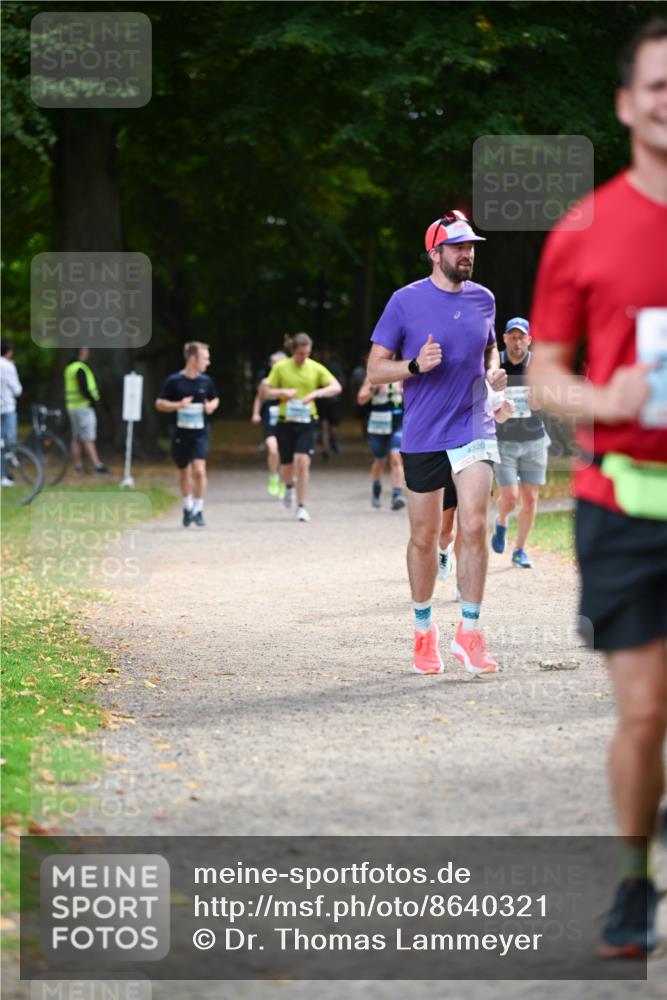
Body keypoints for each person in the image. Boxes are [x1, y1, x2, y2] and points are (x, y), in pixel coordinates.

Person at [527, 19, 667, 958]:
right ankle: (631, 880)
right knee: (646, 709)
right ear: (626, 103)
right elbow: (543, 375)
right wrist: (601, 396)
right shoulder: (583, 230)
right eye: (658, 85)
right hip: (626, 503)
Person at [367, 209, 507, 675]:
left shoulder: (484, 299)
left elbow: (488, 346)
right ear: (435, 252)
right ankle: (424, 631)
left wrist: (491, 371)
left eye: (471, 247)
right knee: (425, 537)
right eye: (459, 247)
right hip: (425, 432)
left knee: (472, 525)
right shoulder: (404, 302)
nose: (468, 254)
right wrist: (413, 366)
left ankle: (470, 633)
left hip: (472, 424)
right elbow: (374, 370)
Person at [490, 317, 550, 568]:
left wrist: (539, 402)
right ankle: (502, 521)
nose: (517, 342)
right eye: (512, 337)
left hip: (534, 439)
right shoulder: (495, 363)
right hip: (503, 441)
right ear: (504, 339)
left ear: (529, 339)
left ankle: (520, 550)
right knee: (511, 497)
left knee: (531, 498)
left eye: (521, 337)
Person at [264, 333, 342, 522]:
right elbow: (267, 391)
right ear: (293, 351)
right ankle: (289, 486)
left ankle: (301, 506)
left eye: (307, 353)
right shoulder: (281, 368)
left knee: (302, 461)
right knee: (287, 465)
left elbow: (336, 387)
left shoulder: (315, 368)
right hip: (285, 422)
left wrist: (316, 393)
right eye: (300, 354)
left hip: (307, 422)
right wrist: (283, 392)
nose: (303, 357)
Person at [156, 341, 220, 527]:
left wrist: (211, 406)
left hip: (201, 432)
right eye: (205, 358)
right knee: (184, 472)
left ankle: (199, 509)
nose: (208, 363)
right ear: (193, 359)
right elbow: (159, 404)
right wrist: (178, 405)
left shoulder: (206, 381)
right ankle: (187, 505)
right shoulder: (174, 381)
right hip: (181, 434)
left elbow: (215, 399)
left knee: (199, 470)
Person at [356, 377, 406, 510]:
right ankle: (376, 488)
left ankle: (397, 495)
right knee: (380, 459)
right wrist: (373, 389)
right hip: (378, 424)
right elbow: (361, 400)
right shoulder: (372, 377)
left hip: (397, 422)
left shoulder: (401, 375)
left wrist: (403, 392)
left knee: (396, 457)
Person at [63, 346, 108, 474]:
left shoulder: (69, 368)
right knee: (88, 437)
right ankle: (97, 465)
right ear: (83, 353)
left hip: (72, 407)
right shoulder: (80, 368)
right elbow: (84, 388)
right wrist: (93, 401)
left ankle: (78, 465)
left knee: (76, 437)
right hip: (83, 407)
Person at [251, 350, 287, 498]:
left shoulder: (290, 380)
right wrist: (256, 413)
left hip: (287, 419)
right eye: (273, 364)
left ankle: (286, 480)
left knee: (286, 453)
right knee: (273, 450)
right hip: (269, 419)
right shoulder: (265, 382)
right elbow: (259, 398)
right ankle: (274, 476)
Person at [314, 347, 345, 460]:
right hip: (323, 401)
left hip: (331, 401)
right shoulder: (317, 367)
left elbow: (341, 382)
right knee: (325, 426)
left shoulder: (331, 366)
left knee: (330, 426)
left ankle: (330, 443)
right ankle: (326, 448)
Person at [0, 339, 23, 486]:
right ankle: (11, 456)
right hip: (7, 407)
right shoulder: (8, 366)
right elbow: (18, 390)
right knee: (9, 440)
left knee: (0, 442)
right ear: (9, 352)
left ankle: (3, 476)